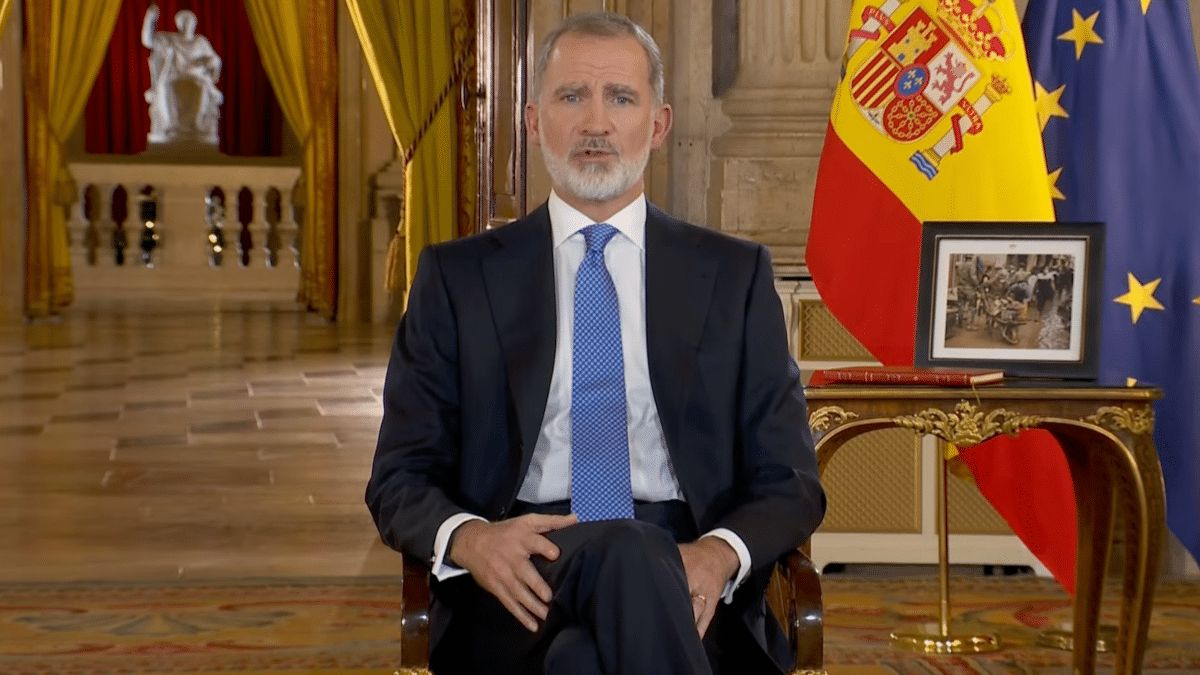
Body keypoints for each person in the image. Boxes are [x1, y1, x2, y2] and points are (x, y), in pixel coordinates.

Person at [367, 12, 825, 675]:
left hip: (685, 567)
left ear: (659, 124)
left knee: (583, 657)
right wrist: (470, 538)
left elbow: (791, 478)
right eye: (571, 96)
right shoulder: (457, 278)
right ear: (532, 121)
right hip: (514, 578)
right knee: (625, 561)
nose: (595, 122)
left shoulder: (733, 277)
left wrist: (719, 552)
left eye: (621, 97)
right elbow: (398, 474)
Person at [141, 4, 224, 146]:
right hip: (174, 77)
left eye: (190, 22)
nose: (187, 25)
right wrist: (150, 19)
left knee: (201, 87)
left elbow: (215, 60)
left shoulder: (201, 42)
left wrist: (211, 61)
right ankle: (171, 125)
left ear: (194, 24)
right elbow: (148, 41)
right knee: (166, 86)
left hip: (196, 77)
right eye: (184, 22)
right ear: (178, 25)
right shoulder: (170, 40)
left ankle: (196, 123)